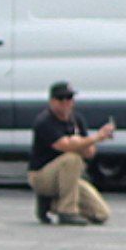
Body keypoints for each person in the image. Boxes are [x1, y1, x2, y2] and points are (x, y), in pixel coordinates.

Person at [27, 82, 114, 226]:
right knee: (72, 158)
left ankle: (50, 203)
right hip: (41, 175)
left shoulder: (76, 120)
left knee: (101, 214)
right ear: (52, 101)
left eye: (69, 98)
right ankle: (66, 211)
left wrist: (80, 142)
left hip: (68, 178)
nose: (66, 103)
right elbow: (64, 146)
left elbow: (90, 153)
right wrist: (97, 137)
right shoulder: (45, 121)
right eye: (61, 99)